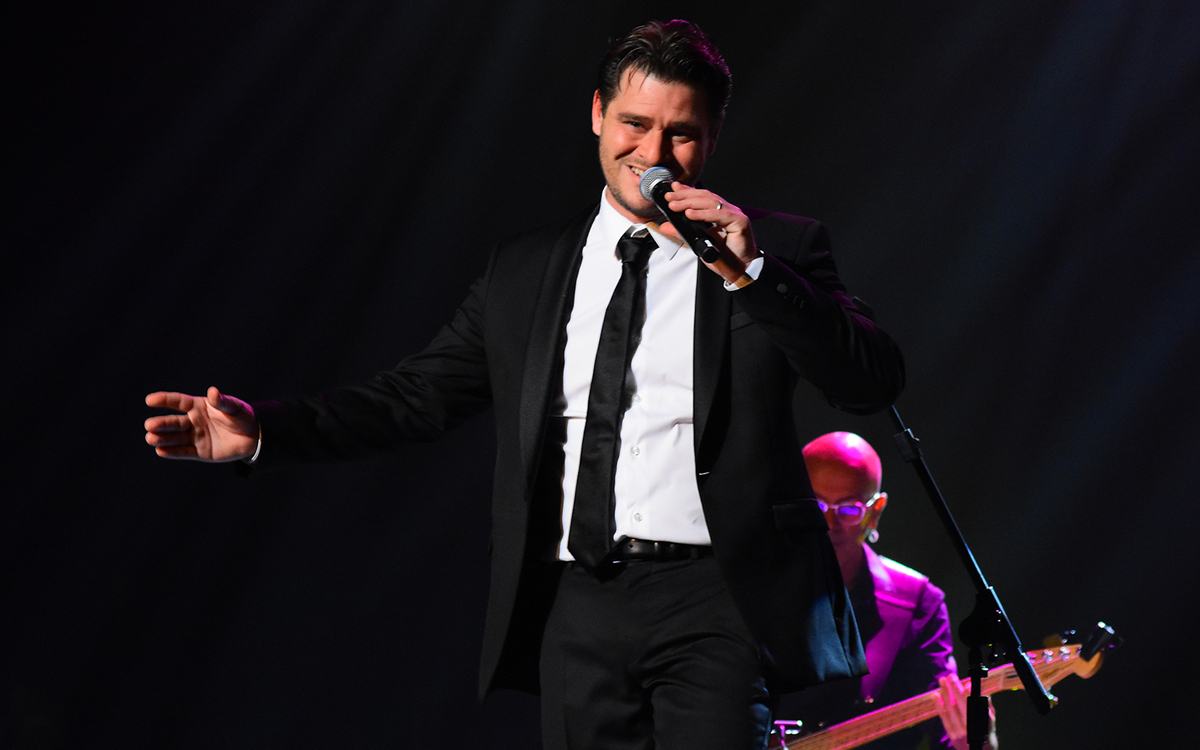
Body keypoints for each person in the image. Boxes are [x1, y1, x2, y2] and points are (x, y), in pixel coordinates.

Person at [144, 20, 904, 750]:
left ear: (712, 135)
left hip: (717, 598)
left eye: (681, 133)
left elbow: (868, 382)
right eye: (634, 124)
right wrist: (265, 431)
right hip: (579, 599)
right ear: (598, 114)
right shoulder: (527, 269)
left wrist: (754, 274)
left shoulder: (777, 247)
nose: (653, 154)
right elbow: (415, 398)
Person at [773, 432, 998, 749]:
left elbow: (948, 736)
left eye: (848, 510)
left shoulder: (917, 603)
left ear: (875, 512)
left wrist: (979, 742)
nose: (827, 523)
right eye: (815, 504)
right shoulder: (745, 585)